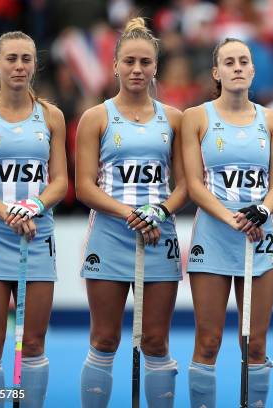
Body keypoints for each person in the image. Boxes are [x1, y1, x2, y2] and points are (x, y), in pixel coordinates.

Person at [75, 18, 186, 408]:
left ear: (156, 67)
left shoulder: (174, 119)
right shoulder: (96, 117)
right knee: (104, 339)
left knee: (155, 341)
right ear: (115, 65)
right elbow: (85, 186)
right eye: (129, 62)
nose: (137, 70)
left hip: (159, 237)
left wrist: (158, 211)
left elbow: (185, 186)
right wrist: (129, 214)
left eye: (145, 62)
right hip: (110, 236)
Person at [0, 31, 67, 407]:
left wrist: (32, 207)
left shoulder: (51, 115)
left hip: (38, 234)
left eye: (26, 58)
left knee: (34, 342)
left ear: (35, 65)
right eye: (11, 59)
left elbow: (60, 181)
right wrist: (9, 212)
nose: (19, 66)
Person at [181, 37, 273, 408]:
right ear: (217, 72)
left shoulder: (272, 120)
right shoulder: (196, 117)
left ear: (253, 70)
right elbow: (194, 184)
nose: (237, 67)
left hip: (260, 236)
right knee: (208, 341)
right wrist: (231, 217)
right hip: (214, 234)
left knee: (255, 344)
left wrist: (263, 210)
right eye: (229, 62)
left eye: (244, 60)